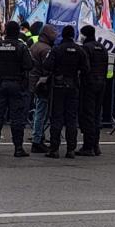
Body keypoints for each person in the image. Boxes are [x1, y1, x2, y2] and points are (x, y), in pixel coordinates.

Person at [0, 20, 33, 157]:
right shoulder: (21, 46)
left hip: (0, 84)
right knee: (17, 117)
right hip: (17, 85)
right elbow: (29, 65)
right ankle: (18, 148)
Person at [43, 26, 89, 159]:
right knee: (71, 118)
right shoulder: (79, 50)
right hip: (73, 85)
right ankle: (70, 149)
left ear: (62, 35)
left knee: (56, 117)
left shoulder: (57, 49)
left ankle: (54, 149)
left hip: (58, 86)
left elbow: (47, 65)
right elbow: (86, 68)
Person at [78, 24, 108, 156]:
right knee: (97, 114)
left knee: (88, 114)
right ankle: (96, 145)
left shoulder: (86, 48)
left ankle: (88, 146)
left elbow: (84, 67)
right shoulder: (102, 48)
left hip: (88, 84)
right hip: (101, 83)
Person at [29, 24, 58, 153]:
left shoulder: (35, 46)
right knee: (41, 112)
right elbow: (48, 67)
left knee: (39, 111)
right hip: (42, 83)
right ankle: (37, 139)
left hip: (34, 81)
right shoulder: (46, 49)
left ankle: (39, 136)